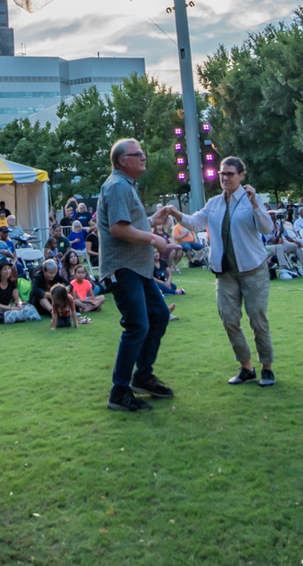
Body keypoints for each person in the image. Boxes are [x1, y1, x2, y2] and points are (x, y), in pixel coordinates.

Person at [161, 156, 277, 387]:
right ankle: (246, 368)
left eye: (230, 174)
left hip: (253, 270)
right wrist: (176, 214)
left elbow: (267, 227)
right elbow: (195, 223)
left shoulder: (252, 199)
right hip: (224, 272)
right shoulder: (213, 203)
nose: (225, 177)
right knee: (229, 319)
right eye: (222, 173)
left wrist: (255, 204)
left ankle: (267, 368)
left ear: (242, 176)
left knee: (258, 320)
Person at [99, 138, 179, 412]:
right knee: (137, 326)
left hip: (137, 269)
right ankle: (119, 392)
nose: (144, 157)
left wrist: (151, 220)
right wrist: (153, 238)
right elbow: (118, 229)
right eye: (138, 154)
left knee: (158, 315)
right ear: (122, 160)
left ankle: (142, 377)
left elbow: (128, 222)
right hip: (124, 268)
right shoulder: (118, 186)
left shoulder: (125, 185)